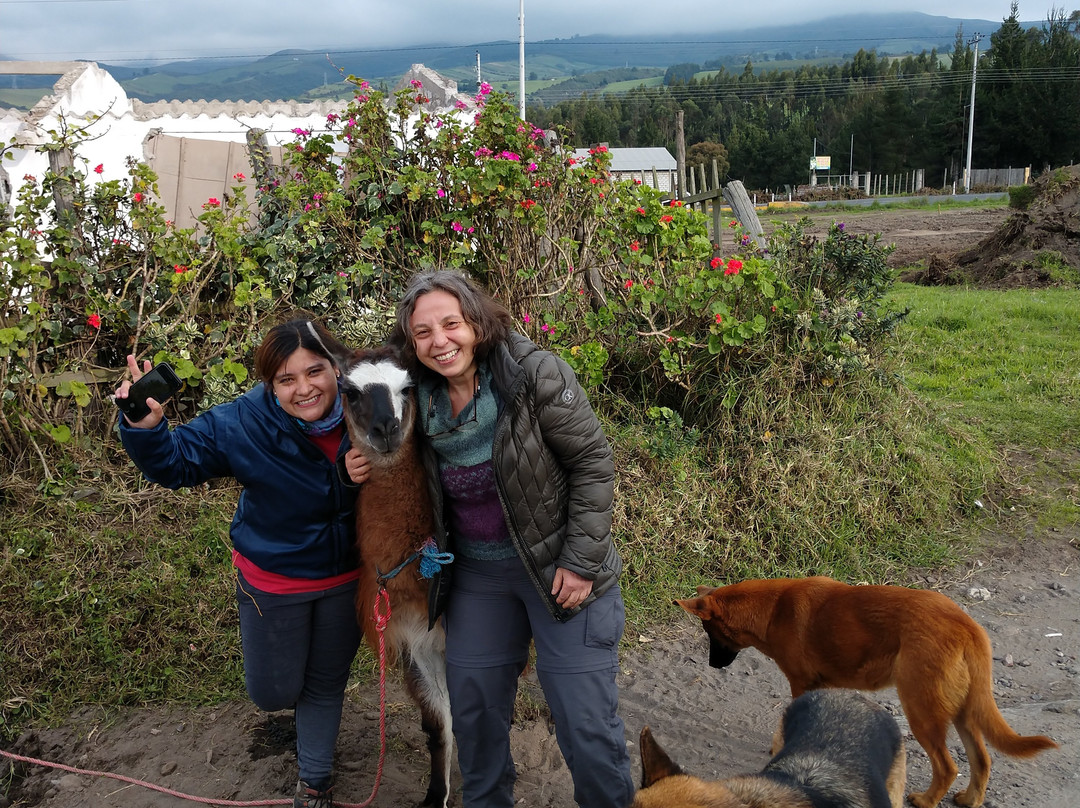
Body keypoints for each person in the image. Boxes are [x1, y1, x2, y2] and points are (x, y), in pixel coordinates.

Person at [390, 269, 634, 808]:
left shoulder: (532, 372)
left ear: (476, 321)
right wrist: (350, 465)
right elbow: (371, 434)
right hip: (478, 578)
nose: (439, 342)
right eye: (423, 333)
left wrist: (581, 560)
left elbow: (593, 462)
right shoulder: (415, 393)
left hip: (559, 570)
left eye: (450, 324)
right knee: (473, 717)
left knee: (584, 723)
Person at [114, 318, 372, 808]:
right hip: (273, 581)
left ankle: (314, 783)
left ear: (336, 369)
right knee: (273, 692)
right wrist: (145, 429)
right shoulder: (242, 423)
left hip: (346, 578)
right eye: (286, 379)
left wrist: (368, 474)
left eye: (314, 372)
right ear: (268, 383)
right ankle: (294, 712)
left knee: (325, 683)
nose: (304, 389)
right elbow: (178, 463)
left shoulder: (370, 409)